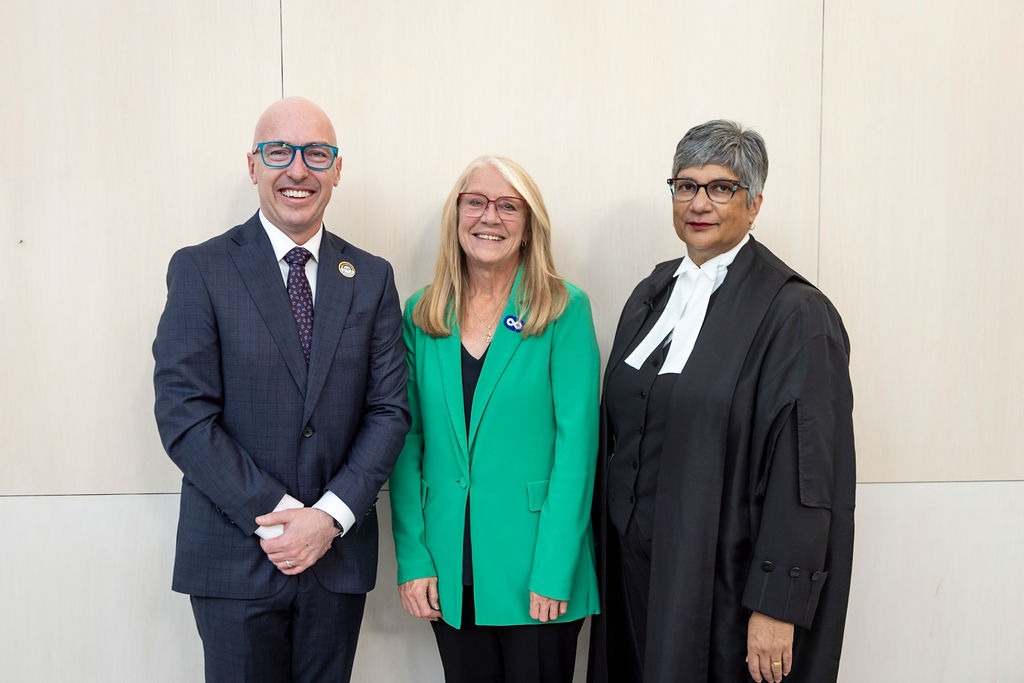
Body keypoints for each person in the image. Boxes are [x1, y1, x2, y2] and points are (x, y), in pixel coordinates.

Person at [152, 96, 410, 683]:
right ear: (253, 165)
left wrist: (328, 519)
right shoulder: (201, 269)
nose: (298, 170)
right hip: (235, 559)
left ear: (337, 169)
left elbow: (389, 411)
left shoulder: (371, 277)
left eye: (316, 153)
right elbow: (185, 417)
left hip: (335, 556)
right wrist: (285, 516)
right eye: (280, 153)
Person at [588, 120, 856, 683]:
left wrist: (778, 603)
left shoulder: (796, 314)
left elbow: (808, 475)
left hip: (723, 583)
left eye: (721, 187)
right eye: (685, 185)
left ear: (754, 203)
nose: (699, 202)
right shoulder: (652, 293)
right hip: (638, 573)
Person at [389, 155, 601, 683]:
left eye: (509, 206)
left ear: (529, 227)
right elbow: (405, 441)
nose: (491, 217)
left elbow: (577, 448)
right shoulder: (422, 315)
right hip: (449, 567)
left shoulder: (562, 309)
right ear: (456, 215)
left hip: (537, 569)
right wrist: (414, 558)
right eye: (477, 202)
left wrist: (556, 570)